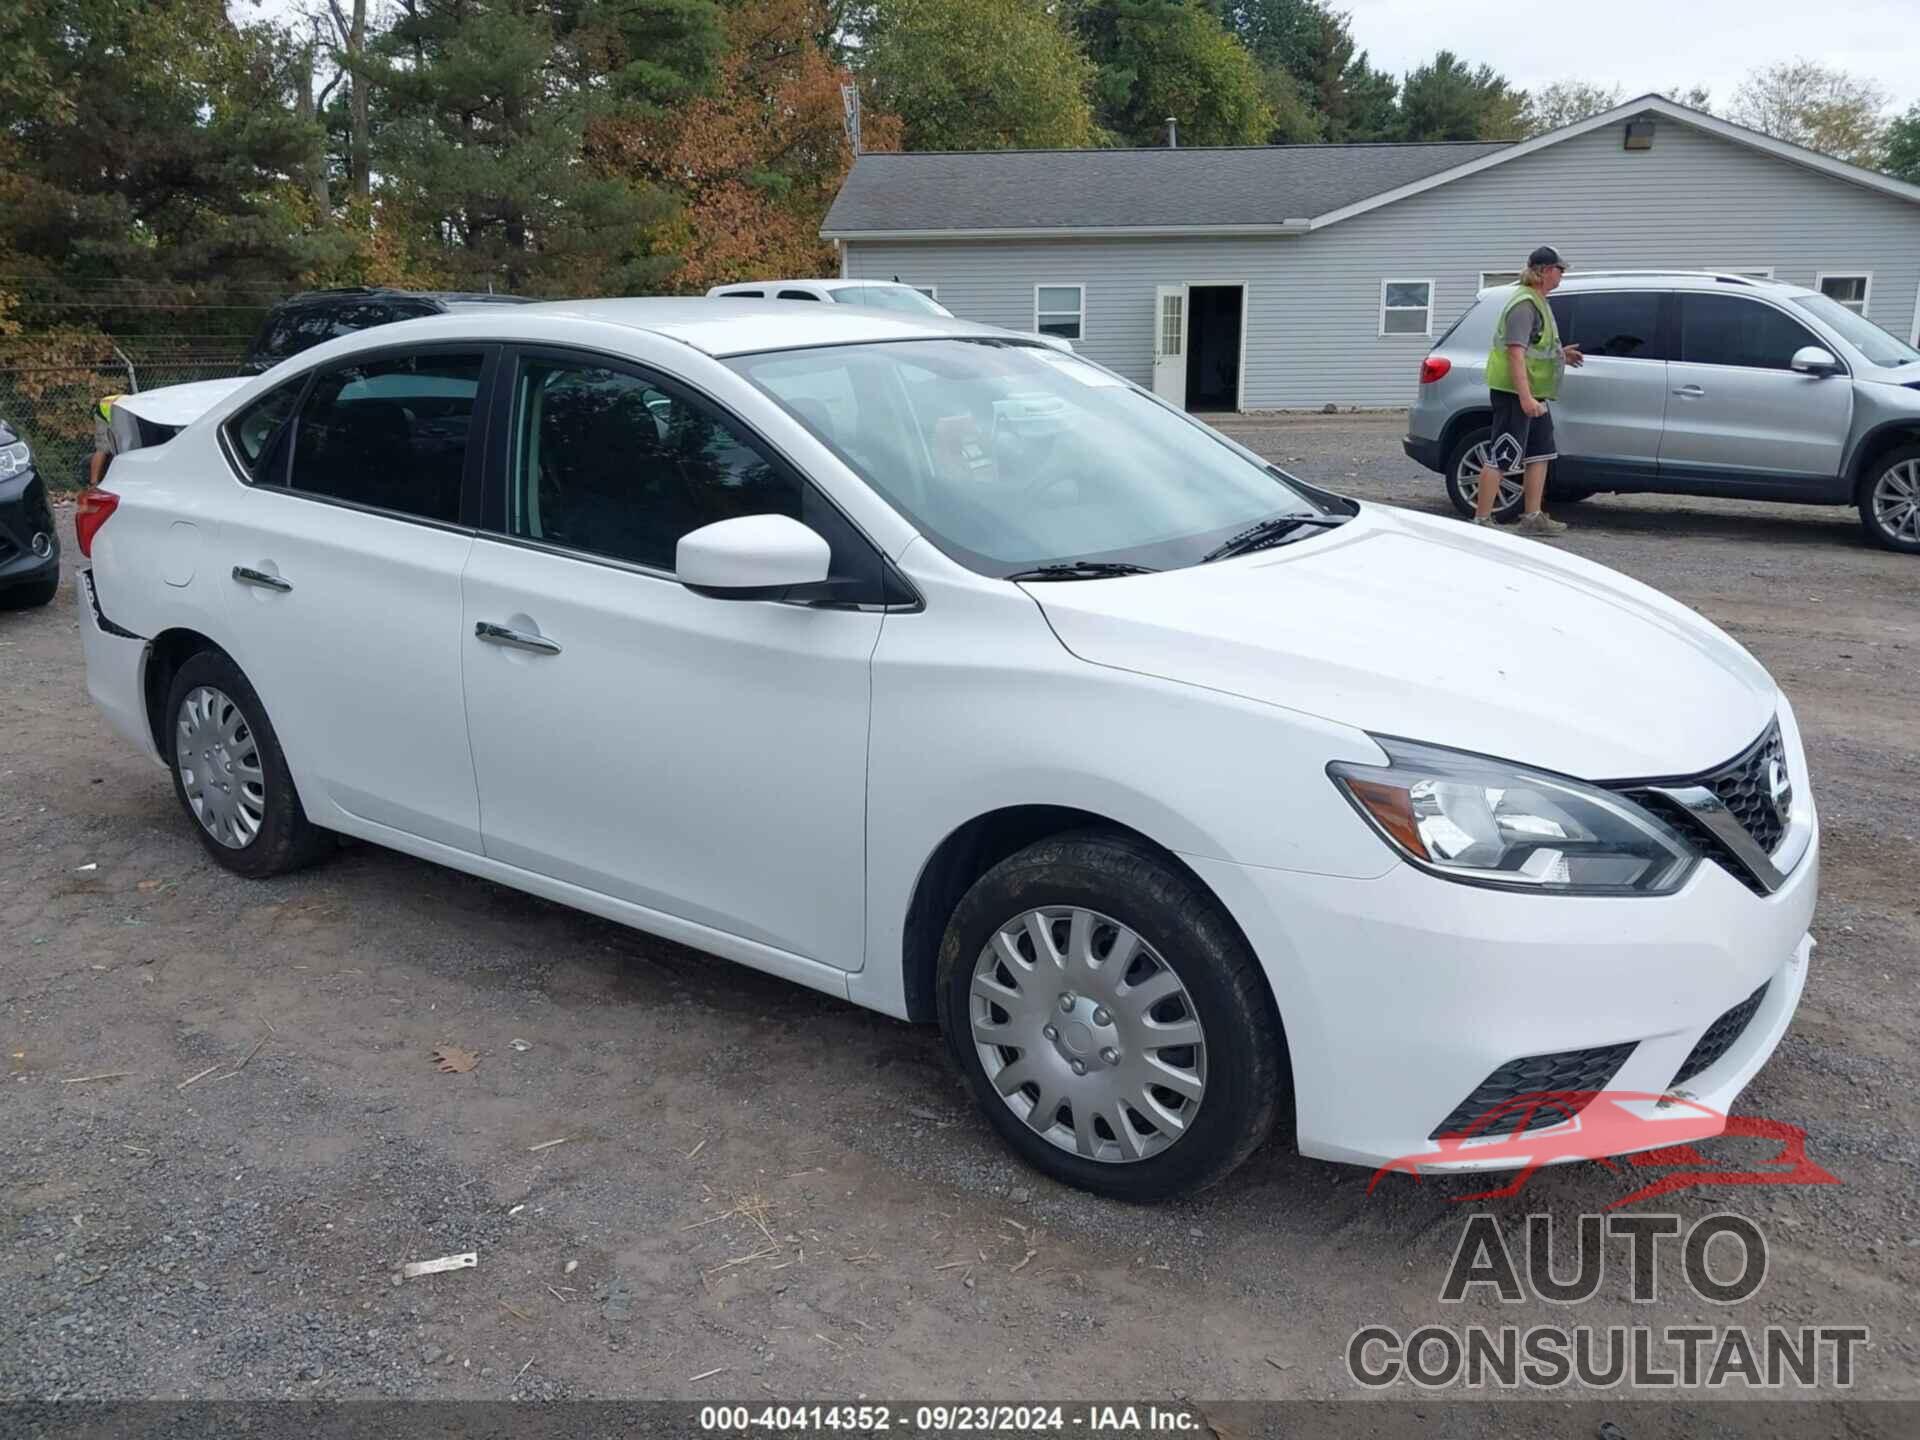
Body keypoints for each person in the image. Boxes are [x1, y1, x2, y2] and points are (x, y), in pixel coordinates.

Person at [1475, 245, 1584, 535]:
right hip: (1515, 393)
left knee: (1540, 451)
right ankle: (1482, 520)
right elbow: (1515, 352)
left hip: (1534, 393)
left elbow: (1538, 347)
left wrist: (1562, 354)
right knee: (1503, 453)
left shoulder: (1538, 300)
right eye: (1560, 270)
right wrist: (1524, 398)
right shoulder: (1524, 304)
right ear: (1546, 271)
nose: (1562, 275)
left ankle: (1532, 517)